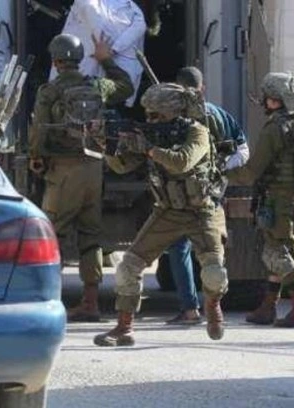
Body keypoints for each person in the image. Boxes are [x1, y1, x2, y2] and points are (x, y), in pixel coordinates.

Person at [94, 82, 229, 347]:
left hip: (203, 211)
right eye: (148, 115)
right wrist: (106, 144)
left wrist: (149, 148)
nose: (150, 120)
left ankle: (213, 305)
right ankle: (124, 327)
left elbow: (182, 162)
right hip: (168, 211)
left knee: (213, 272)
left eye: (156, 115)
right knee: (128, 266)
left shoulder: (197, 132)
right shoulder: (150, 136)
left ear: (172, 113)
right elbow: (122, 167)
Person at [28, 33, 133, 322]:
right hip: (94, 167)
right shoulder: (96, 86)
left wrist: (36, 157)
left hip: (64, 170)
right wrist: (106, 60)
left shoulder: (49, 91)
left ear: (55, 61)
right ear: (79, 58)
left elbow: (39, 130)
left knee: (53, 234)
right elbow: (126, 87)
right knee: (91, 235)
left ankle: (46, 296)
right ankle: (91, 302)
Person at [226, 71, 294, 328]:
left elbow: (252, 171)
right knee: (280, 250)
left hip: (281, 203)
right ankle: (267, 307)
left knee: (274, 253)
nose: (264, 102)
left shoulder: (274, 129)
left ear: (274, 100)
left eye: (267, 97)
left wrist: (224, 174)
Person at [165, 66, 249, 325]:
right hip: (212, 193)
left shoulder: (173, 116)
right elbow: (243, 151)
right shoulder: (218, 114)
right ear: (203, 88)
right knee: (212, 250)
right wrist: (220, 168)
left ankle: (190, 309)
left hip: (181, 194)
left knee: (179, 247)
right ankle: (214, 305)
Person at [49, 0, 147, 107]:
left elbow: (139, 26)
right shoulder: (132, 10)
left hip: (90, 78)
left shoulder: (130, 9)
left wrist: (112, 50)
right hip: (88, 77)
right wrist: (111, 51)